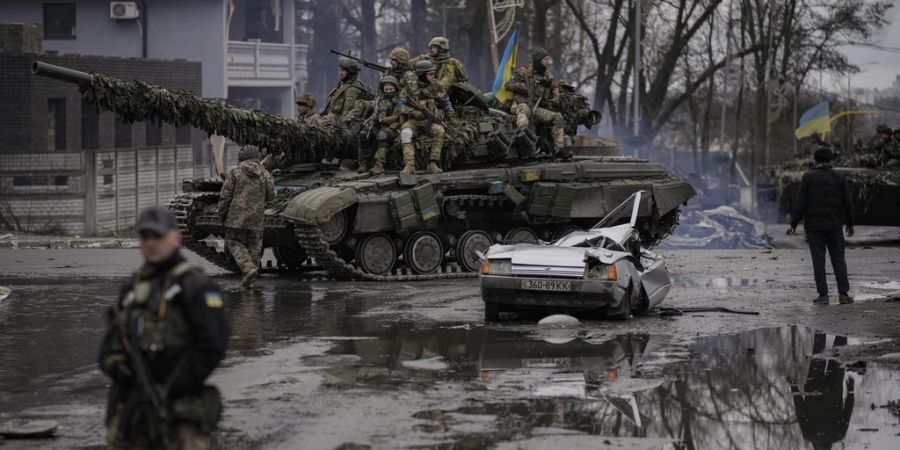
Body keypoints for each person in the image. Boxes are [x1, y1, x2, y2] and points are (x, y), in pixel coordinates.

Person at [99, 206, 230, 450]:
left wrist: (176, 382)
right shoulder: (132, 288)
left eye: (157, 237)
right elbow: (111, 343)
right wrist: (119, 367)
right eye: (145, 237)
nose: (151, 244)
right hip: (132, 404)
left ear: (175, 238)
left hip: (180, 405)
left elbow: (213, 344)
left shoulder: (195, 286)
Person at [788, 146, 854, 305]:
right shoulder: (839, 177)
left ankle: (823, 296)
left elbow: (800, 202)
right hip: (834, 226)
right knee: (838, 260)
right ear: (830, 160)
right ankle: (844, 294)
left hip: (814, 228)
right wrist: (850, 223)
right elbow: (848, 202)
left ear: (815, 160)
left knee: (818, 261)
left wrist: (794, 224)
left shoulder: (808, 177)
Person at [218, 145, 275, 287]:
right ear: (257, 157)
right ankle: (251, 275)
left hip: (236, 217)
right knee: (255, 245)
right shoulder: (265, 174)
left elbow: (225, 196)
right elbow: (271, 197)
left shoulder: (235, 172)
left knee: (233, 241)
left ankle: (248, 268)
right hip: (257, 218)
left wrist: (222, 214)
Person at [504, 47, 569, 159]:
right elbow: (508, 85)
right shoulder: (523, 72)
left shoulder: (548, 76)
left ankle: (559, 150)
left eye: (548, 59)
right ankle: (525, 144)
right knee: (525, 113)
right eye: (545, 59)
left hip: (536, 106)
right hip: (521, 104)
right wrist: (525, 87)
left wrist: (552, 97)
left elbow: (555, 93)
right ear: (538, 60)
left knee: (557, 117)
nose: (547, 62)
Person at [398, 60, 454, 175]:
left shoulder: (436, 86)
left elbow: (445, 102)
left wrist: (451, 114)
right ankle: (409, 165)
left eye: (433, 73)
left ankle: (433, 163)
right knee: (405, 133)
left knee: (440, 131)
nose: (433, 76)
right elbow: (400, 104)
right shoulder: (410, 86)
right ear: (421, 74)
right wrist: (412, 112)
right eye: (430, 74)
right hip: (414, 121)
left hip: (430, 120)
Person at [350, 75, 403, 175]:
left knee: (382, 135)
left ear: (395, 88)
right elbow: (373, 112)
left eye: (390, 89)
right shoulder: (379, 100)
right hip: (377, 125)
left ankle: (379, 164)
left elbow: (396, 116)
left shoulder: (399, 101)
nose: (388, 91)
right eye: (386, 89)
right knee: (364, 134)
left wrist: (382, 120)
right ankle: (363, 163)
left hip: (392, 127)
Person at [323, 57, 373, 122]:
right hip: (332, 119)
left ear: (350, 72)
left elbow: (346, 115)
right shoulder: (344, 85)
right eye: (340, 70)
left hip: (337, 124)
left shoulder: (351, 90)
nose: (340, 73)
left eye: (343, 71)